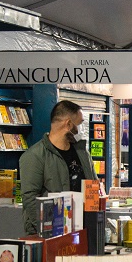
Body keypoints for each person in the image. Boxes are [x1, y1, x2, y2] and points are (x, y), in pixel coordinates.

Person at [19, 100, 96, 235]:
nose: (82, 129)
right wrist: (48, 230)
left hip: (83, 230)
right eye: (80, 124)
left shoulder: (83, 152)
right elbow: (30, 198)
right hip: (51, 233)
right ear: (68, 124)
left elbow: (93, 185)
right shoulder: (35, 156)